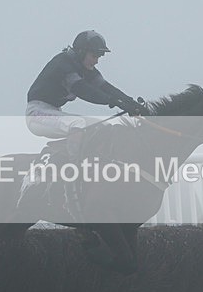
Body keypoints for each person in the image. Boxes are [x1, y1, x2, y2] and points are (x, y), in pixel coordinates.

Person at [24, 30, 145, 221]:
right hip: (36, 113)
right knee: (79, 123)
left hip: (54, 111)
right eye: (94, 55)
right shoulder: (63, 64)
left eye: (99, 56)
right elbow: (83, 90)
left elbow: (106, 87)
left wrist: (129, 101)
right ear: (81, 52)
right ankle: (73, 172)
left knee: (96, 125)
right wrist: (114, 102)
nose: (96, 60)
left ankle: (84, 164)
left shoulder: (83, 68)